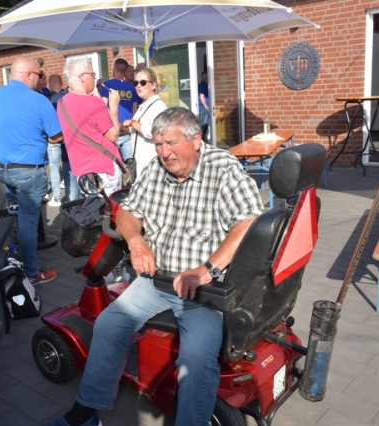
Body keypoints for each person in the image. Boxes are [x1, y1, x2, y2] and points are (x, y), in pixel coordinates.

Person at [46, 107, 264, 426]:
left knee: (197, 359)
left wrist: (207, 270)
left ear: (196, 140)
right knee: (107, 324)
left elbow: (249, 222)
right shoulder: (156, 168)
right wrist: (136, 242)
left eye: (171, 143)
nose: (164, 152)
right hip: (156, 280)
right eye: (159, 144)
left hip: (203, 290)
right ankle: (85, 415)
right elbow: (127, 212)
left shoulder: (223, 169)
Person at [0, 57, 61, 285]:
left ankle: (13, 208)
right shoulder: (39, 101)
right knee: (29, 223)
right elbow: (56, 136)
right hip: (26, 173)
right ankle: (32, 272)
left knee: (15, 199)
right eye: (39, 74)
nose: (41, 78)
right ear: (29, 75)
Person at [57, 57, 123, 195]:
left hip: (82, 171)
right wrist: (114, 108)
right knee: (110, 207)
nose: (94, 78)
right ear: (82, 77)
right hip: (103, 168)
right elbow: (113, 135)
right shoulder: (94, 102)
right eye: (92, 74)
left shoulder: (61, 103)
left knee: (91, 206)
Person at [121, 67, 167, 176]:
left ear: (153, 85)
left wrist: (132, 122)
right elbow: (138, 130)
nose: (138, 86)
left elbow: (152, 132)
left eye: (143, 82)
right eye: (135, 83)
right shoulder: (143, 106)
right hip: (140, 165)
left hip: (150, 167)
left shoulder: (159, 107)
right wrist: (124, 128)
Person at [99, 58, 138, 161]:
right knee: (130, 163)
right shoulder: (131, 87)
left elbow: (103, 107)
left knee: (114, 164)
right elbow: (135, 110)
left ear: (114, 68)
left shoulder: (106, 85)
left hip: (111, 131)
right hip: (127, 130)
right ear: (125, 71)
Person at [46, 74, 77, 206]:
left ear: (50, 84)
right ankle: (74, 196)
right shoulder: (69, 96)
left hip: (55, 137)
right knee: (69, 167)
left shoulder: (53, 99)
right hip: (69, 138)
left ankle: (57, 197)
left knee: (54, 167)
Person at [198, 71, 210, 141]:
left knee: (206, 126)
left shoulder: (205, 85)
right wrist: (206, 107)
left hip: (205, 109)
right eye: (208, 77)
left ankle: (204, 141)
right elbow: (201, 97)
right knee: (203, 126)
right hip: (203, 109)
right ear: (205, 78)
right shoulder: (202, 85)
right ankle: (201, 141)